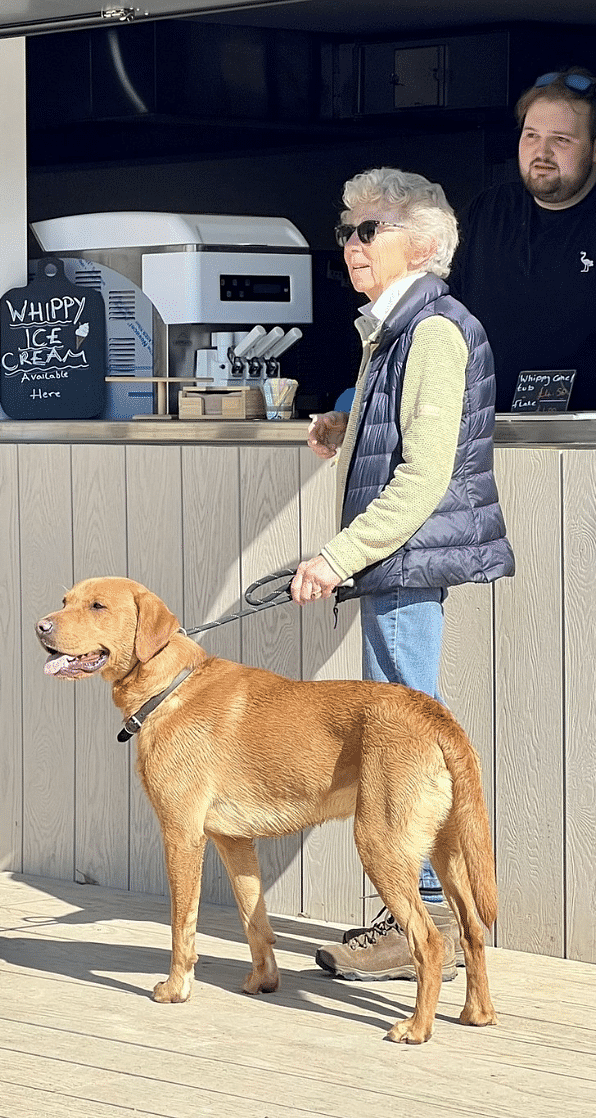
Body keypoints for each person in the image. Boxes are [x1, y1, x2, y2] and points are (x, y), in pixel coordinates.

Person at [292, 167, 515, 981]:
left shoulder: (433, 330)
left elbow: (424, 475)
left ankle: (418, 920)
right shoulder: (398, 328)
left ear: (422, 245)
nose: (350, 244)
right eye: (346, 230)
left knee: (403, 741)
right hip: (398, 562)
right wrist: (346, 423)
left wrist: (335, 557)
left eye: (369, 230)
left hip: (404, 561)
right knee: (405, 734)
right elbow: (404, 431)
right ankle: (425, 919)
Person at [452, 67, 596, 412]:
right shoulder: (487, 212)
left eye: (561, 140)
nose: (541, 152)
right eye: (531, 136)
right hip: (487, 428)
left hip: (585, 435)